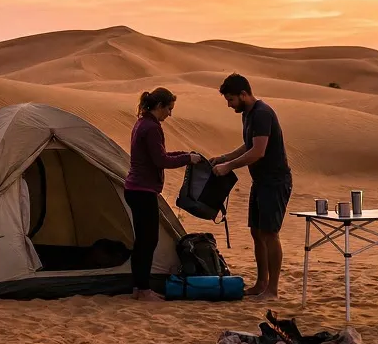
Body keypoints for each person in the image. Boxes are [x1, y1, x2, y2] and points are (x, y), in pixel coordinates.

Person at [210, 74, 292, 300]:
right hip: (260, 181)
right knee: (256, 232)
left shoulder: (263, 113)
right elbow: (249, 144)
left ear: (243, 94)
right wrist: (224, 158)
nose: (229, 104)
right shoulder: (248, 114)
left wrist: (229, 167)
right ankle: (261, 283)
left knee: (269, 233)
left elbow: (258, 152)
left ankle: (272, 290)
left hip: (275, 182)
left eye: (231, 99)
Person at [123, 87, 203, 302]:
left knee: (143, 241)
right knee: (148, 241)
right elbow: (161, 161)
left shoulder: (143, 123)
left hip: (136, 189)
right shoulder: (151, 127)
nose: (170, 114)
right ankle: (144, 289)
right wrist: (187, 159)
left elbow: (160, 155)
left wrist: (187, 155)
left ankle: (138, 289)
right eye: (169, 109)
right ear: (159, 106)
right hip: (142, 191)